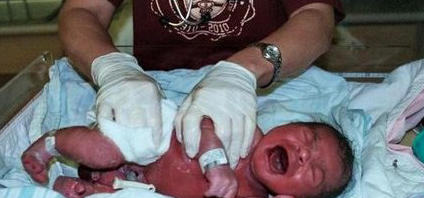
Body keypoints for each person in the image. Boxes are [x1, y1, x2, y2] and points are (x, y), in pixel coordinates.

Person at [58, 0, 345, 170]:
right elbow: (84, 9)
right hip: (154, 89)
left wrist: (243, 71)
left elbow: (316, 17)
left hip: (263, 84)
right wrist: (113, 69)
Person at [21, 118, 353, 198]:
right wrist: (212, 145)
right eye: (308, 138)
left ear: (296, 197)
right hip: (138, 146)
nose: (304, 154)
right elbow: (203, 118)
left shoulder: (251, 196)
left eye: (314, 173)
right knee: (103, 151)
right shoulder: (244, 129)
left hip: (143, 186)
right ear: (288, 124)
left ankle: (72, 184)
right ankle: (49, 145)